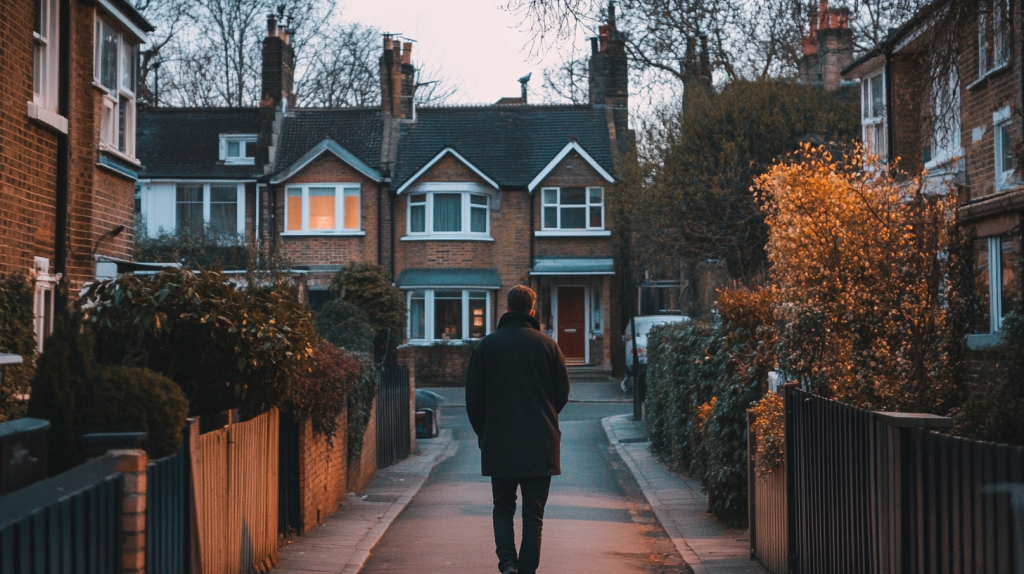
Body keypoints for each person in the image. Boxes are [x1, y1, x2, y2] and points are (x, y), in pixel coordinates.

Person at [466, 285, 571, 574]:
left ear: (508, 309)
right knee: (533, 515)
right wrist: (544, 418)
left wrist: (485, 432)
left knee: (502, 508)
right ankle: (526, 571)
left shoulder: (486, 346)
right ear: (532, 311)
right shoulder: (549, 346)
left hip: (499, 443)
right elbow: (562, 393)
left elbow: (473, 400)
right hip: (541, 444)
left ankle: (508, 564)